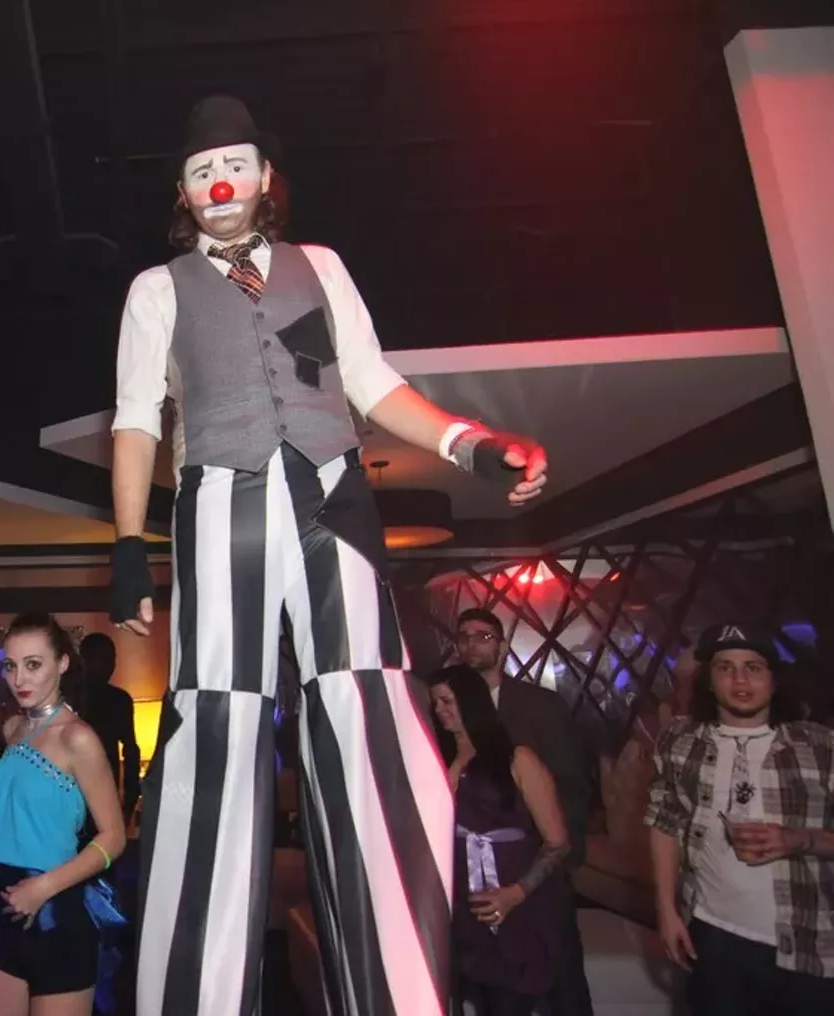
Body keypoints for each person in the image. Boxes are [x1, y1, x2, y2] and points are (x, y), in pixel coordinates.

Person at [108, 95, 549, 1016]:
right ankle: (195, 997)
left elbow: (373, 384)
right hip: (219, 499)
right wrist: (127, 546)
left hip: (333, 498)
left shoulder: (322, 266)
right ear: (182, 193)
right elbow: (136, 420)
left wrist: (472, 445)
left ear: (266, 177)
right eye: (200, 171)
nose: (219, 182)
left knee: (367, 705)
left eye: (234, 165)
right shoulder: (158, 288)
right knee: (217, 714)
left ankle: (399, 991)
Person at [645, 624, 834, 1015]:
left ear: (774, 679)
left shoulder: (820, 747)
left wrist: (800, 839)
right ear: (709, 680)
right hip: (714, 936)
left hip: (809, 941)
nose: (740, 680)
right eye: (725, 668)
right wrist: (666, 910)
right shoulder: (681, 741)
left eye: (753, 667)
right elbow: (665, 822)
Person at [0, 612, 127, 1016]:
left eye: (33, 665)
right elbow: (17, 817)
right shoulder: (14, 729)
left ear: (62, 663)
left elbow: (114, 838)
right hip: (3, 908)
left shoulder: (77, 738)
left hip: (56, 914)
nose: (19, 678)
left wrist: (42, 888)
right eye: (10, 666)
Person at [454, 608, 595, 1015]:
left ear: (502, 647)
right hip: (476, 871)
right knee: (492, 985)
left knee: (562, 982)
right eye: (464, 636)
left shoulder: (540, 706)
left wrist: (552, 858)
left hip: (539, 862)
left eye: (483, 636)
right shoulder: (448, 710)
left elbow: (572, 784)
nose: (472, 644)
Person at [429, 666, 571, 1016]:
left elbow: (558, 841)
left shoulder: (518, 758)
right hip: (461, 907)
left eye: (447, 701)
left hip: (516, 905)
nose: (440, 710)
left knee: (509, 1002)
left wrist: (515, 894)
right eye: (435, 703)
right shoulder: (438, 760)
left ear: (470, 701)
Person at [75, 634, 140, 825]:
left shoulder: (120, 700)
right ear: (84, 660)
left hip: (105, 794)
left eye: (111, 658)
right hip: (72, 791)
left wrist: (130, 796)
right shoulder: (69, 697)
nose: (109, 665)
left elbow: (131, 750)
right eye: (100, 658)